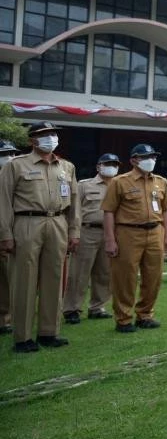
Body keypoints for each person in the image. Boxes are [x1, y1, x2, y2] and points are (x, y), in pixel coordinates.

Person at [0, 122, 80, 352]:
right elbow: (3, 201)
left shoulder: (67, 167)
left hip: (58, 221)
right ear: (31, 140)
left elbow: (74, 203)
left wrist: (74, 231)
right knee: (23, 281)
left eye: (53, 134)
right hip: (27, 222)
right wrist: (5, 234)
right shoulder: (16, 166)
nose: (51, 138)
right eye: (44, 135)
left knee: (54, 278)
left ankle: (49, 331)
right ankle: (22, 337)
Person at [103, 144, 167, 333]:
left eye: (153, 157)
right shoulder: (119, 182)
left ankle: (145, 315)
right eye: (146, 157)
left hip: (155, 231)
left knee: (153, 277)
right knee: (125, 277)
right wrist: (110, 240)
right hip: (128, 233)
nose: (151, 160)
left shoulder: (160, 181)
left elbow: (165, 211)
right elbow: (108, 212)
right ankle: (123, 318)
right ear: (134, 160)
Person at [63, 153, 119, 324]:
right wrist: (73, 233)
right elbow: (74, 210)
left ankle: (97, 307)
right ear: (98, 167)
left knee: (105, 272)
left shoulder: (119, 185)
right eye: (107, 163)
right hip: (87, 231)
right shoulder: (84, 185)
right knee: (79, 272)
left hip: (111, 233)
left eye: (114, 164)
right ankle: (72, 308)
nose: (111, 167)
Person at [0, 139, 20, 335]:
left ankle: (6, 319)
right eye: (4, 154)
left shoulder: (17, 179)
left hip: (8, 235)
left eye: (12, 154)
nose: (9, 158)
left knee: (7, 281)